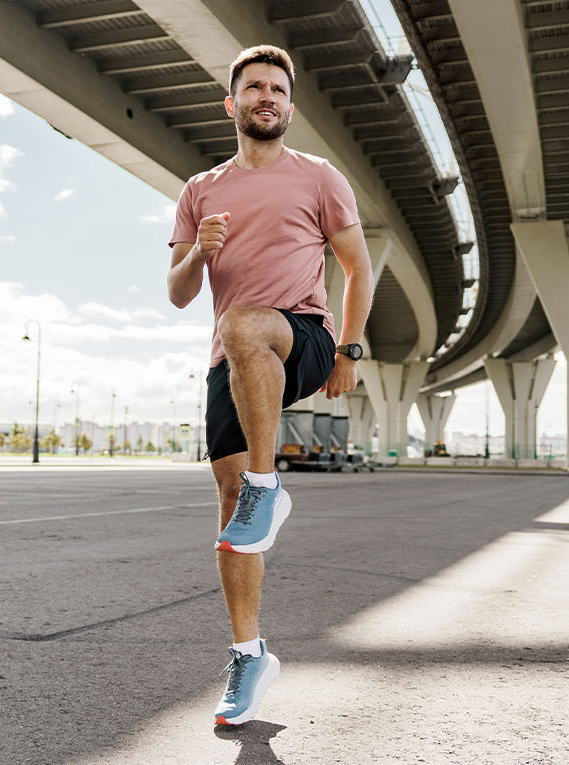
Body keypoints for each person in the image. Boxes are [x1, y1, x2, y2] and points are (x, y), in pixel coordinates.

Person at [166, 44, 373, 726]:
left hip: (302, 335)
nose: (266, 97)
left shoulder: (318, 178)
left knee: (249, 326)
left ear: (290, 106)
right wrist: (202, 247)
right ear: (233, 104)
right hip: (231, 356)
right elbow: (177, 292)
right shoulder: (201, 190)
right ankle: (249, 655)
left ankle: (267, 486)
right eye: (253, 87)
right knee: (231, 518)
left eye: (277, 89)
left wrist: (349, 348)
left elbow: (358, 267)